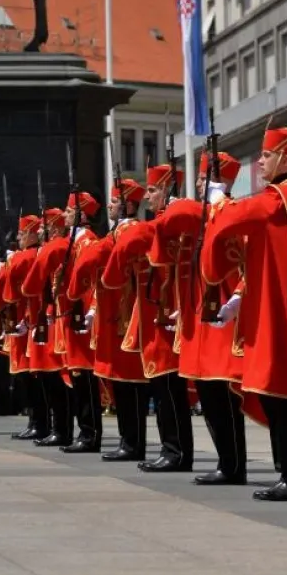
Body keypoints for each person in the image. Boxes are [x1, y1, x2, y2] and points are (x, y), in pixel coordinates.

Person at [206, 126, 287, 503]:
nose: (262, 161)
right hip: (276, 306)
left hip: (285, 311)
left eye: (267, 155)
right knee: (280, 396)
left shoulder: (284, 195)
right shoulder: (282, 195)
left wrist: (220, 203)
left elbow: (240, 215)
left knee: (286, 397)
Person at [151, 151, 247, 486]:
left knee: (223, 395)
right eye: (201, 178)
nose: (200, 183)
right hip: (201, 315)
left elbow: (245, 264)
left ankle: (233, 464)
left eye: (207, 178)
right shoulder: (204, 215)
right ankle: (227, 461)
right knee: (208, 393)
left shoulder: (231, 212)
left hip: (224, 315)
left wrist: (236, 298)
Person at [103, 164, 194, 473]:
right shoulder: (157, 224)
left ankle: (176, 451)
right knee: (161, 387)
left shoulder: (178, 219)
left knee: (169, 390)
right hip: (153, 315)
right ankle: (171, 448)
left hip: (168, 316)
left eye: (154, 190)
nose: (149, 197)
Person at [73, 178, 149, 462]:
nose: (110, 206)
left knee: (131, 383)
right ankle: (127, 441)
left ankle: (133, 442)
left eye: (115, 202)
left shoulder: (134, 231)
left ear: (129, 205)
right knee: (121, 382)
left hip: (127, 315)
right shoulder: (114, 233)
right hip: (115, 314)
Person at [22, 208, 74, 447]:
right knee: (45, 376)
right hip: (43, 316)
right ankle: (53, 427)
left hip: (53, 316)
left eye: (43, 227)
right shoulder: (48, 248)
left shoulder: (58, 247)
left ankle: (61, 428)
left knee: (55, 375)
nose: (39, 231)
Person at [0, 215, 47, 441]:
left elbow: (4, 282)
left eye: (23, 234)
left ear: (33, 234)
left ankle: (38, 422)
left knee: (30, 378)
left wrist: (5, 264)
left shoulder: (24, 257)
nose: (19, 238)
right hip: (27, 319)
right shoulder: (33, 254)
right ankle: (36, 421)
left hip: (23, 320)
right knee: (32, 378)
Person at [57, 191, 102, 454]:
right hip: (71, 314)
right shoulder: (73, 242)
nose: (64, 214)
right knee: (77, 375)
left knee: (84, 376)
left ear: (81, 215)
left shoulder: (88, 242)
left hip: (82, 315)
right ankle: (84, 431)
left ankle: (90, 433)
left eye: (68, 210)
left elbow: (93, 280)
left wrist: (91, 310)